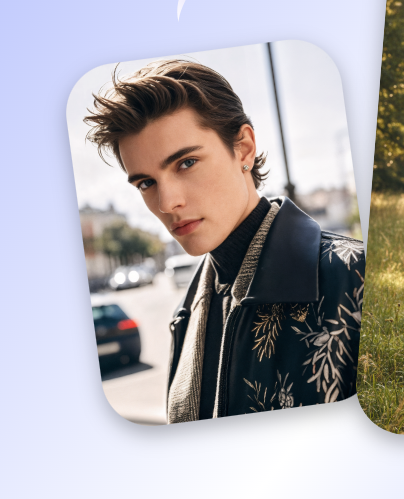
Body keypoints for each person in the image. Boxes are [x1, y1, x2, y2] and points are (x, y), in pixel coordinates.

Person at [85, 60, 365, 422]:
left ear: (244, 149)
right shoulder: (186, 312)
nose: (167, 203)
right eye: (145, 183)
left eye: (186, 163)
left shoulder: (356, 278)